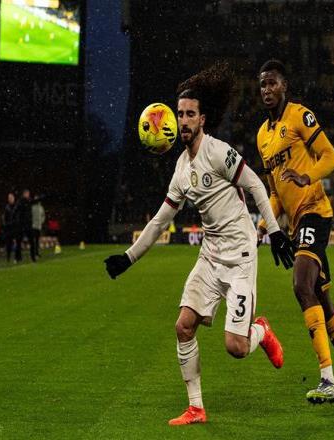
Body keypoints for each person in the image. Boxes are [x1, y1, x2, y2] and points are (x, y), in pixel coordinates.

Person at [104, 62, 295, 425]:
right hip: (210, 256)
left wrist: (274, 232)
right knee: (183, 326)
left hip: (240, 256)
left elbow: (255, 185)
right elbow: (160, 221)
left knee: (236, 347)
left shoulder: (218, 152)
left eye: (190, 114)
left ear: (203, 119)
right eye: (180, 114)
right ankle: (196, 408)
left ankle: (261, 330)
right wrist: (128, 258)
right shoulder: (180, 169)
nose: (184, 121)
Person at [256, 59, 334, 404]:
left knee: (301, 286)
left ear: (284, 86)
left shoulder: (299, 116)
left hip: (316, 213)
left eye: (272, 83)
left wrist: (308, 177)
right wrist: (262, 225)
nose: (266, 89)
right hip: (296, 223)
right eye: (262, 84)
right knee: (321, 297)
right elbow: (275, 194)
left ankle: (327, 379)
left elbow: (331, 157)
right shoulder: (262, 136)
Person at [16, 189, 36, 262]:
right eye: (27, 194)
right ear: (24, 194)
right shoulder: (21, 202)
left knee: (31, 241)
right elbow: (18, 212)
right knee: (19, 241)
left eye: (28, 194)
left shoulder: (29, 201)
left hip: (28, 224)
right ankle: (18, 257)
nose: (28, 195)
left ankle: (32, 257)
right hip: (22, 224)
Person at [2, 193, 18, 262]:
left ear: (14, 198)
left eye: (11, 198)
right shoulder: (6, 207)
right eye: (9, 198)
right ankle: (8, 258)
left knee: (16, 243)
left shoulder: (16, 207)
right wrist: (6, 225)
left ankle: (16, 257)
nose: (10, 199)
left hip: (15, 228)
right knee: (9, 244)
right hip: (9, 228)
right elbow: (4, 218)